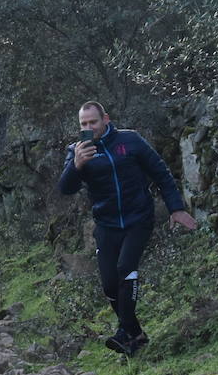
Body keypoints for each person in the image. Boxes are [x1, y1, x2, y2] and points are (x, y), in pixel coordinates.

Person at [57, 100, 196, 355]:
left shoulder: (130, 141)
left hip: (138, 219)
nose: (88, 127)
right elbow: (65, 189)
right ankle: (136, 334)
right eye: (83, 124)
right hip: (106, 225)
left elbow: (161, 173)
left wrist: (176, 208)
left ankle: (124, 331)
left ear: (105, 119)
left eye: (93, 122)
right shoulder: (76, 151)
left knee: (125, 269)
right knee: (110, 284)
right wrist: (76, 164)